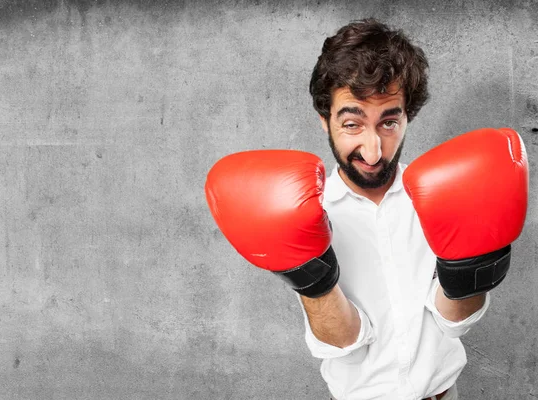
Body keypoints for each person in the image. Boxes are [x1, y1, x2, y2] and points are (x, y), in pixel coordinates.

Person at [205, 18, 527, 400]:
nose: (373, 151)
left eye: (389, 121)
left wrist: (472, 267)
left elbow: (452, 323)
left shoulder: (444, 196)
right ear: (325, 121)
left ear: (408, 117)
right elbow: (344, 341)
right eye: (353, 123)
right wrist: (313, 279)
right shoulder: (306, 212)